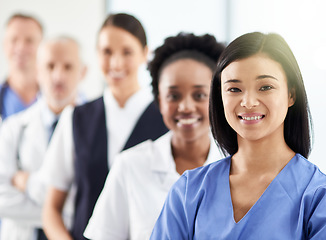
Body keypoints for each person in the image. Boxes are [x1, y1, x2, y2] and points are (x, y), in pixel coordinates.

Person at [150, 32, 326, 239]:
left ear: (291, 94)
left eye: (265, 87)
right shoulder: (189, 191)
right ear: (219, 97)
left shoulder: (322, 198)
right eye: (234, 89)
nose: (248, 102)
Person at [83, 32, 225, 240]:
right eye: (173, 96)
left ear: (218, 98)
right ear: (159, 101)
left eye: (199, 95)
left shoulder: (237, 164)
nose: (186, 107)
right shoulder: (129, 166)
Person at [42, 13, 168, 240]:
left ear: (145, 54)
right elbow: (51, 209)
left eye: (127, 52)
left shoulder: (166, 120)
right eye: (107, 52)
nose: (116, 63)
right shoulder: (75, 118)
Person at [0, 36, 86, 240]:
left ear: (83, 72)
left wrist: (29, 184)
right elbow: (2, 199)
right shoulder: (13, 128)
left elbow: (94, 198)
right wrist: (60, 212)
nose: (58, 76)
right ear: (38, 72)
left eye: (68, 67)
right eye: (50, 66)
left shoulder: (94, 128)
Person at [0, 13, 43, 124]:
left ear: (43, 47)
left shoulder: (66, 98)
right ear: (4, 45)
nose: (21, 47)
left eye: (29, 40)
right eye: (14, 40)